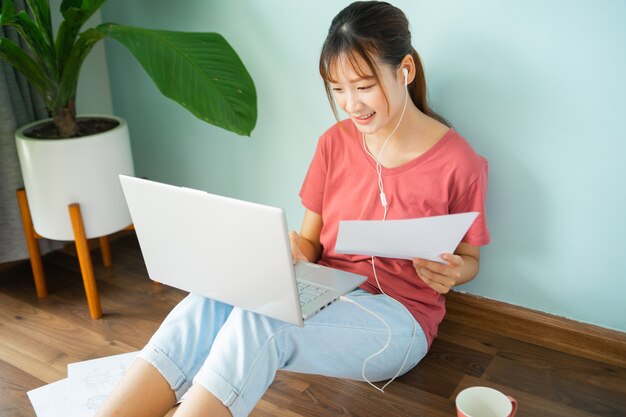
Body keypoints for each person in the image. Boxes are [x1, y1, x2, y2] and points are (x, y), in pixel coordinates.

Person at [96, 2, 489, 416]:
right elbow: (312, 245)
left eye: (363, 85)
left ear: (404, 70)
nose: (351, 104)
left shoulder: (459, 162)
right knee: (210, 299)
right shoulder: (334, 143)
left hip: (399, 318)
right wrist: (291, 251)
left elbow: (470, 261)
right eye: (337, 89)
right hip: (327, 288)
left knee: (262, 324)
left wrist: (452, 272)